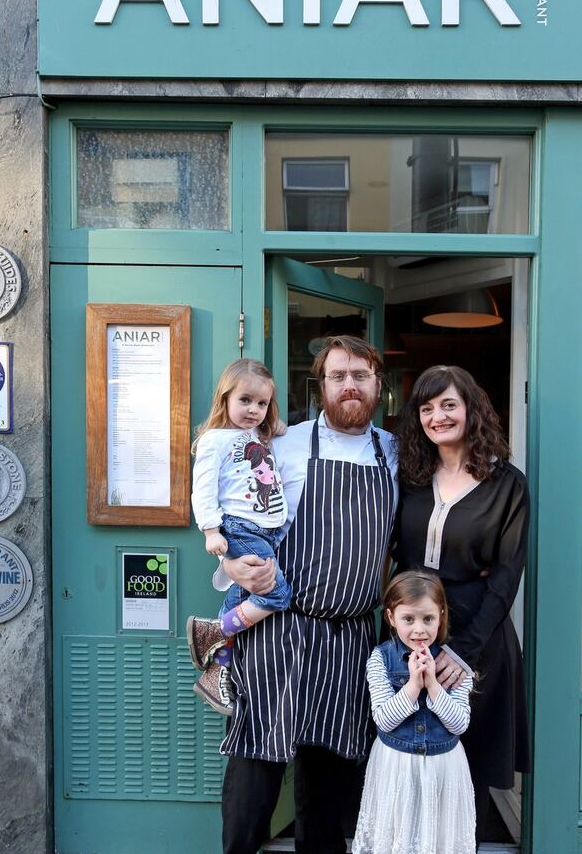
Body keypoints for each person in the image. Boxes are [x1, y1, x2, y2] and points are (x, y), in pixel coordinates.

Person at [215, 335, 398, 854]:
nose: (349, 385)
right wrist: (229, 563)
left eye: (360, 375)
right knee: (257, 763)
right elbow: (230, 512)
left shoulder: (395, 452)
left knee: (330, 777)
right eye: (337, 376)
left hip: (353, 636)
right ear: (320, 387)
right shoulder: (282, 444)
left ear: (378, 385)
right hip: (281, 628)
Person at [391, 365, 530, 845]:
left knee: (465, 770)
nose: (437, 417)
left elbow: (507, 576)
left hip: (476, 639)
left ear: (471, 408)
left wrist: (463, 652)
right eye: (427, 408)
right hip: (409, 634)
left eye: (448, 404)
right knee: (406, 757)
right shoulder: (410, 477)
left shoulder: (507, 484)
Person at [186, 359, 289, 716]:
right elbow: (202, 490)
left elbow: (275, 429)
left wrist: (270, 424)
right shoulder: (214, 440)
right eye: (245, 400)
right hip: (240, 528)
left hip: (268, 531)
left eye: (262, 404)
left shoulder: (257, 435)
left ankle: (219, 667)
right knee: (276, 592)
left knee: (242, 593)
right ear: (225, 397)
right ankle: (214, 631)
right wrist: (211, 530)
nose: (254, 410)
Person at [352, 570, 475, 854]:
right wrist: (412, 686)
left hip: (443, 767)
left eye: (428, 619)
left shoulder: (454, 664)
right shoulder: (380, 659)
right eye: (409, 619)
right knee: (397, 835)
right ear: (392, 617)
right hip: (397, 765)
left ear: (441, 615)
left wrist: (432, 684)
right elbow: (383, 719)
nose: (419, 629)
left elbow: (459, 723)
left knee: (436, 838)